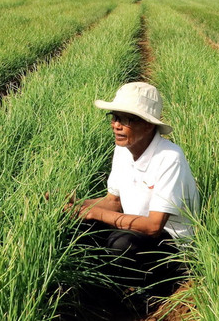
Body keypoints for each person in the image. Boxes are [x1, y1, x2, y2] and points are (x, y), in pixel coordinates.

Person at [66, 81, 199, 304]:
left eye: (125, 119)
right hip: (135, 230)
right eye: (114, 117)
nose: (116, 125)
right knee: (76, 226)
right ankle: (98, 291)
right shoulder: (122, 149)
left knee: (122, 244)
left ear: (147, 125)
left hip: (171, 247)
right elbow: (113, 202)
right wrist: (75, 205)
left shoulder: (169, 158)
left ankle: (155, 289)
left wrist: (93, 213)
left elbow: (154, 226)